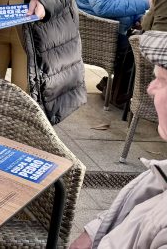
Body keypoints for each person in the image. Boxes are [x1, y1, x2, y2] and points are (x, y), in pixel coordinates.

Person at [69, 30, 167, 248]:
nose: (150, 88)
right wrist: (94, 230)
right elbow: (133, 208)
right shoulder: (159, 173)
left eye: (161, 80)